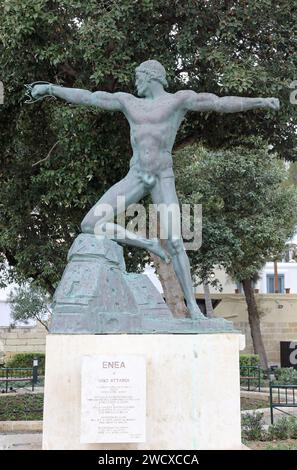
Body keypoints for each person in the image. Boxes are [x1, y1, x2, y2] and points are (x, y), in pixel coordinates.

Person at [30, 60, 280, 319]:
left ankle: (193, 308)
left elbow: (218, 102)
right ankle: (147, 242)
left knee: (175, 241)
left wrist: (260, 101)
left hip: (162, 177)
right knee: (91, 224)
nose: (135, 82)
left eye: (138, 76)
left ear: (151, 76)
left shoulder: (178, 101)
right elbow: (90, 97)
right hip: (136, 176)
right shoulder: (129, 102)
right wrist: (50, 89)